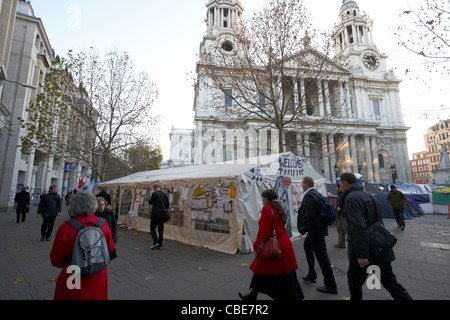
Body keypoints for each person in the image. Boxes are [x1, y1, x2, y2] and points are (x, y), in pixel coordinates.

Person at [339, 172, 412, 300]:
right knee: (391, 284)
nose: (339, 187)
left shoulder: (350, 198)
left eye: (340, 183)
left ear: (345, 183)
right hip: (379, 247)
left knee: (354, 280)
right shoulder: (369, 195)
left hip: (365, 249)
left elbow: (358, 226)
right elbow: (379, 222)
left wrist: (362, 254)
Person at [239, 189, 303, 300]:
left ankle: (292, 296)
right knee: (284, 272)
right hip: (283, 243)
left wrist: (257, 245)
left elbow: (264, 232)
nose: (262, 199)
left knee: (269, 271)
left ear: (267, 198)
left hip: (275, 245)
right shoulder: (278, 207)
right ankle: (253, 294)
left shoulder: (267, 209)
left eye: (263, 197)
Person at [50, 192, 115, 300]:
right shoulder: (103, 224)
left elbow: (56, 259)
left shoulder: (66, 228)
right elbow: (110, 249)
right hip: (98, 273)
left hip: (74, 274)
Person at [297, 176, 338, 294]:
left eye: (302, 183)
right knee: (307, 247)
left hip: (315, 232)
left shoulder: (309, 196)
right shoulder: (316, 193)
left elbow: (311, 217)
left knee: (323, 258)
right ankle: (311, 274)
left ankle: (331, 286)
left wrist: (306, 229)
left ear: (305, 184)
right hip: (318, 230)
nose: (301, 185)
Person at [148, 185, 169, 250]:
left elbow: (150, 202)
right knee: (160, 229)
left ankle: (155, 242)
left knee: (152, 228)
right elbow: (167, 205)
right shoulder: (165, 195)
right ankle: (160, 244)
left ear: (155, 188)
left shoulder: (154, 194)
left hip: (155, 214)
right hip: (162, 214)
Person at [334, 184, 347, 248]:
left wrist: (340, 209)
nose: (336, 188)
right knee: (339, 229)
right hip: (340, 214)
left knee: (345, 229)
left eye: (337, 187)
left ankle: (352, 243)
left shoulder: (343, 195)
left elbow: (344, 204)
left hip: (342, 214)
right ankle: (341, 243)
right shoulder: (340, 194)